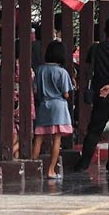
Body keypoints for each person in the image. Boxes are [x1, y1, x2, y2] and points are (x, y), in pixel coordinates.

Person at [73, 17, 109, 173]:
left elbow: (86, 69)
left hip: (101, 97)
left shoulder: (95, 49)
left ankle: (83, 163)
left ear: (105, 31)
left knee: (94, 131)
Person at [31, 41, 72, 179]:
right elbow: (66, 94)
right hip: (58, 106)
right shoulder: (62, 72)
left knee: (39, 137)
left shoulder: (39, 70)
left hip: (44, 105)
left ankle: (33, 168)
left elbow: (35, 90)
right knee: (57, 138)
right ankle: (51, 170)